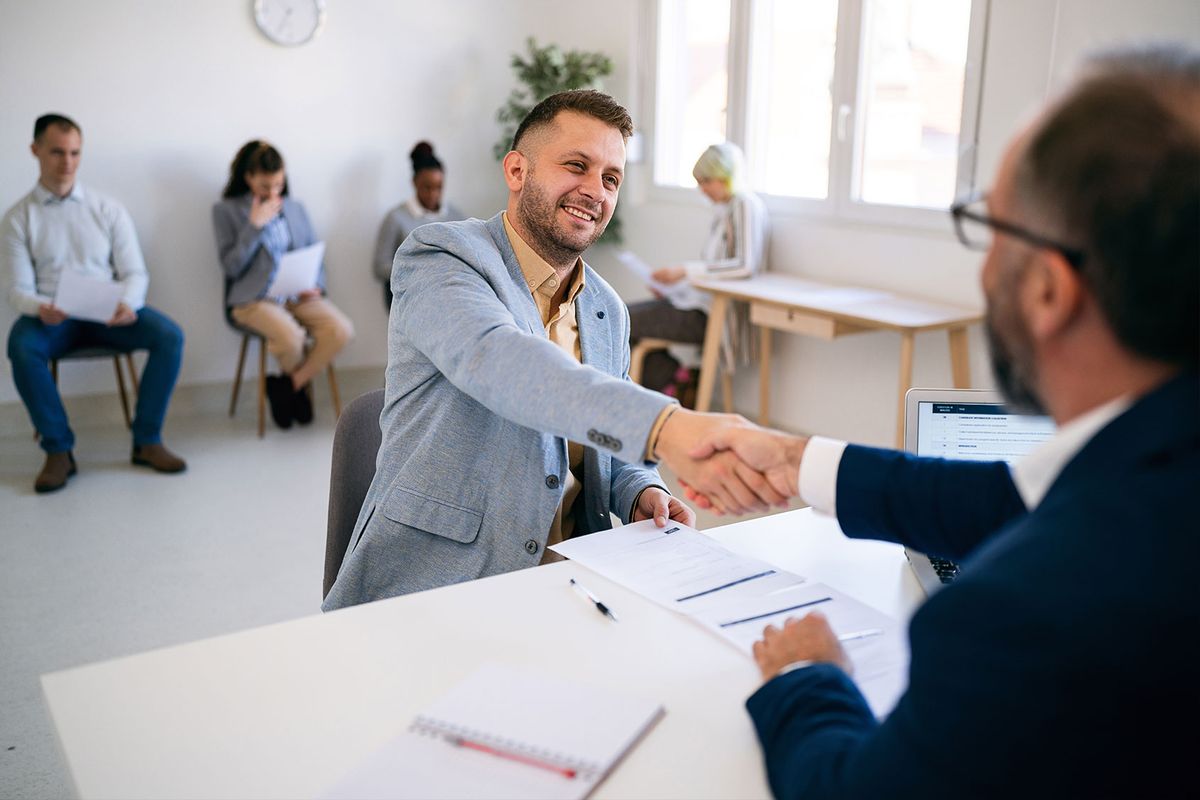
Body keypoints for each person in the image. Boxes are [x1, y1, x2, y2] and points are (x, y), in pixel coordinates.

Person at [685, 44, 1200, 798]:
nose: (985, 267)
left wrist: (808, 677)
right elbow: (1014, 503)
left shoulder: (1014, 619)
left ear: (1051, 292)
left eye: (990, 228)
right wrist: (799, 460)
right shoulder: (1153, 472)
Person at [322, 90, 786, 611]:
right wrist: (670, 427)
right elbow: (497, 361)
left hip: (569, 581)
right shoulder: (439, 257)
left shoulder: (606, 308)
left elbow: (608, 446)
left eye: (611, 178)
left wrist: (638, 491)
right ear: (517, 171)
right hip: (439, 585)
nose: (595, 190)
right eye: (576, 166)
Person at [2, 113, 187, 493]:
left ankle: (147, 440)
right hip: (53, 316)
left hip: (109, 313)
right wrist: (41, 308)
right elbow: (17, 289)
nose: (67, 162)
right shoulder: (18, 218)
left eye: (74, 153)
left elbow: (135, 272)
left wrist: (129, 302)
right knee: (20, 345)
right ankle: (58, 450)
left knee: (168, 335)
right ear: (35, 151)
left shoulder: (107, 209)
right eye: (57, 152)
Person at [212, 140, 354, 430]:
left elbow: (315, 253)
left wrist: (315, 284)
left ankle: (288, 387)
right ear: (248, 177)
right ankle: (296, 395)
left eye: (278, 184)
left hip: (297, 293)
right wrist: (254, 226)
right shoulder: (225, 211)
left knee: (341, 330)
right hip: (253, 299)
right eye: (265, 186)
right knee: (291, 338)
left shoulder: (295, 208)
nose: (274, 192)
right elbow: (231, 267)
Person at [627, 142, 768, 397]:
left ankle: (673, 386)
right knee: (620, 316)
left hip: (710, 314)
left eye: (706, 181)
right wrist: (673, 289)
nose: (702, 190)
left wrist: (683, 271)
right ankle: (677, 382)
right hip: (694, 303)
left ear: (724, 176)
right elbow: (713, 271)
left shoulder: (745, 206)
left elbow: (745, 266)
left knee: (624, 321)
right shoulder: (724, 210)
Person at [373, 141, 466, 308]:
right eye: (427, 187)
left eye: (439, 187)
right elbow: (380, 267)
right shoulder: (396, 218)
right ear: (414, 183)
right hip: (412, 297)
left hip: (450, 291)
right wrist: (417, 269)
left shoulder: (455, 216)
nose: (433, 194)